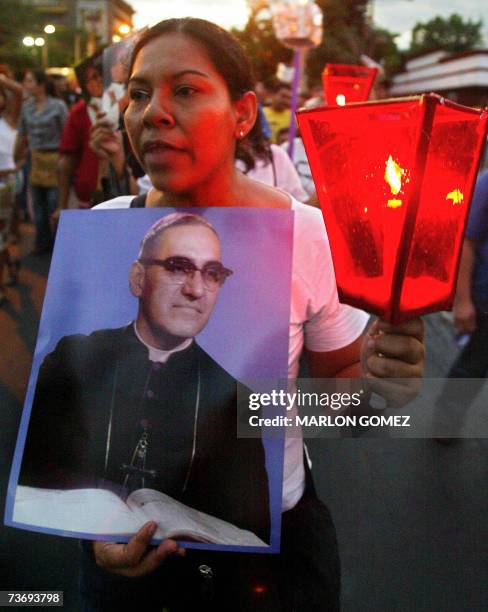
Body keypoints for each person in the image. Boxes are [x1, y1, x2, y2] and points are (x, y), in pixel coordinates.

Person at [86, 17, 424, 610]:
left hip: (270, 551)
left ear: (243, 114)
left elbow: (341, 396)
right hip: (132, 549)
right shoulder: (108, 227)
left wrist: (377, 390)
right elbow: (83, 415)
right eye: (140, 93)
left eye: (185, 90)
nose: (153, 112)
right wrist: (93, 529)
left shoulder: (306, 235)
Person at [19, 211, 270, 543]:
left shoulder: (238, 398)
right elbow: (29, 476)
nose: (196, 290)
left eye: (212, 274)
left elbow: (249, 526)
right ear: (138, 278)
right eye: (178, 267)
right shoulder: (71, 358)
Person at [433, 168, 488, 442]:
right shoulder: (487, 183)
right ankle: (445, 423)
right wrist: (463, 300)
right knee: (473, 368)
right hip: (485, 301)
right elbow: (466, 243)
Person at [15, 70, 67, 253]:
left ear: (41, 85)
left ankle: (58, 243)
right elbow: (22, 134)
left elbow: (66, 133)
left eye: (30, 81)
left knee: (54, 202)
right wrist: (17, 157)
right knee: (38, 204)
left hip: (55, 158)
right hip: (34, 158)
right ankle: (41, 241)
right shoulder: (26, 107)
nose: (26, 85)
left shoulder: (58, 106)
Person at [56, 56, 104, 214]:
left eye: (102, 75)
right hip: (88, 201)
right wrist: (61, 206)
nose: (99, 81)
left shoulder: (130, 108)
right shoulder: (79, 112)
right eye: (93, 78)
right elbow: (67, 160)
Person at [0, 71, 23, 303]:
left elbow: (18, 91)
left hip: (5, 186)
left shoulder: (9, 120)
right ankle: (11, 261)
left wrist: (2, 79)